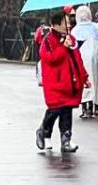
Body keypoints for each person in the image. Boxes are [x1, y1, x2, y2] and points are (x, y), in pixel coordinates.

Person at [36, 10, 88, 153]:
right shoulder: (47, 41)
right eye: (65, 22)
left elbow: (77, 59)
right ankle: (44, 131)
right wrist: (62, 47)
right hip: (55, 83)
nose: (69, 25)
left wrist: (84, 76)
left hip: (70, 82)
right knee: (54, 110)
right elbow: (50, 59)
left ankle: (66, 140)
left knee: (67, 111)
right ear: (55, 24)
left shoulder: (71, 39)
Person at [71, 5, 98, 118]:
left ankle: (86, 108)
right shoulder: (95, 28)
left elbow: (71, 47)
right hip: (97, 58)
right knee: (97, 82)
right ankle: (97, 106)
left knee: (85, 82)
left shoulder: (75, 30)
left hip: (82, 60)